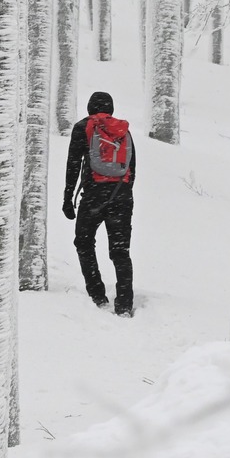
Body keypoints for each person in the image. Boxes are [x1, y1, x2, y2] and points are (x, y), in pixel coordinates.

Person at [62, 91, 136, 316]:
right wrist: (123, 196)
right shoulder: (123, 131)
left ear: (89, 108)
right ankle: (124, 304)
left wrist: (68, 198)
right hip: (121, 196)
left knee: (84, 243)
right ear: (111, 108)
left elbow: (73, 164)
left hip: (93, 197)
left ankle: (97, 294)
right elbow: (132, 168)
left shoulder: (83, 127)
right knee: (120, 251)